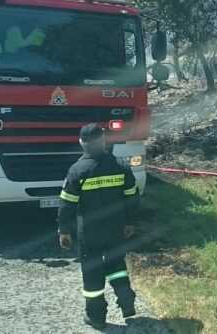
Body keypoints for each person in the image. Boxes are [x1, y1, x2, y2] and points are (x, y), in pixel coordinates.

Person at [58, 123, 139, 329]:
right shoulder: (121, 166)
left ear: (81, 143)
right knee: (116, 263)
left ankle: (96, 317)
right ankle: (126, 300)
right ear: (103, 141)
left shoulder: (77, 171)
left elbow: (67, 204)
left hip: (90, 232)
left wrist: (64, 231)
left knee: (92, 272)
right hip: (116, 228)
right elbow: (132, 198)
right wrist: (130, 222)